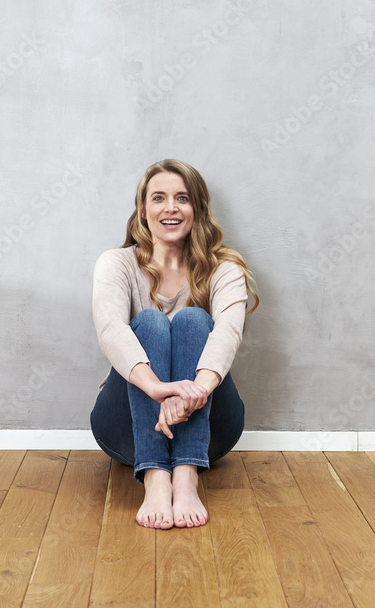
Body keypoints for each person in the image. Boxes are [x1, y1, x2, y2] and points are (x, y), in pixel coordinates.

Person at [90, 159, 259, 529]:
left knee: (194, 320)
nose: (170, 207)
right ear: (143, 209)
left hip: (210, 431)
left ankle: (186, 474)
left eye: (182, 198)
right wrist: (158, 388)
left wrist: (193, 393)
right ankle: (153, 474)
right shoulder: (116, 264)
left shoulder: (224, 269)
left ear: (196, 209)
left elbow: (228, 332)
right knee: (149, 322)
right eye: (159, 198)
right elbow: (109, 328)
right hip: (127, 431)